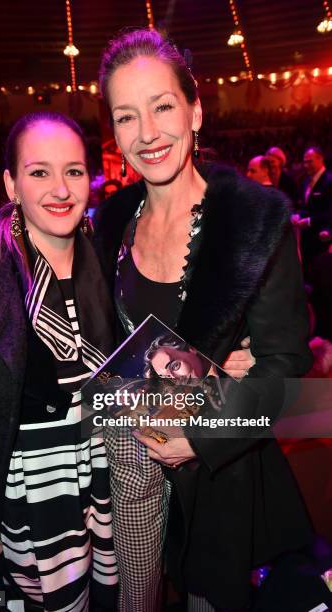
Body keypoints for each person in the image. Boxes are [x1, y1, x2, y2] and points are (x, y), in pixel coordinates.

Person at [94, 28, 313, 611]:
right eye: (125, 116)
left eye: (162, 106)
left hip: (221, 482)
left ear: (194, 112)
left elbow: (289, 375)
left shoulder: (254, 224)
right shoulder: (110, 224)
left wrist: (200, 433)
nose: (146, 133)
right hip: (130, 483)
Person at [0, 112, 118, 611]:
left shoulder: (112, 262)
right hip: (37, 495)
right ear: (11, 184)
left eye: (74, 171)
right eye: (39, 172)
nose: (60, 188)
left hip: (107, 477)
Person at [291, 147, 332, 272]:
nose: (306, 165)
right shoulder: (306, 181)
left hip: (323, 239)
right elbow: (307, 207)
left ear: (320, 159)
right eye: (304, 162)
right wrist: (298, 215)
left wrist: (310, 221)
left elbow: (330, 212)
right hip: (308, 239)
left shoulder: (330, 181)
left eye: (310, 161)